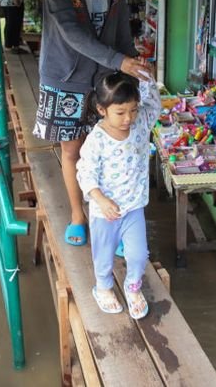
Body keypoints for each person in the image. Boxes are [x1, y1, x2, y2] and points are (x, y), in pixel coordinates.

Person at [34, 0, 150, 248]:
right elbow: (71, 32)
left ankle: (112, 220)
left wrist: (132, 65)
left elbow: (120, 26)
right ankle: (77, 215)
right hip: (65, 76)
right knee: (74, 151)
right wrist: (119, 60)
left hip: (104, 76)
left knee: (110, 150)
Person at [76, 71, 159, 319]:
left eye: (133, 110)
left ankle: (133, 287)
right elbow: (85, 172)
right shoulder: (97, 140)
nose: (128, 118)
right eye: (120, 112)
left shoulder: (140, 124)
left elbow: (154, 105)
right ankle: (103, 287)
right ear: (102, 110)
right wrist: (100, 199)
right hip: (105, 212)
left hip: (133, 207)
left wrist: (147, 80)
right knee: (103, 254)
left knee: (138, 254)